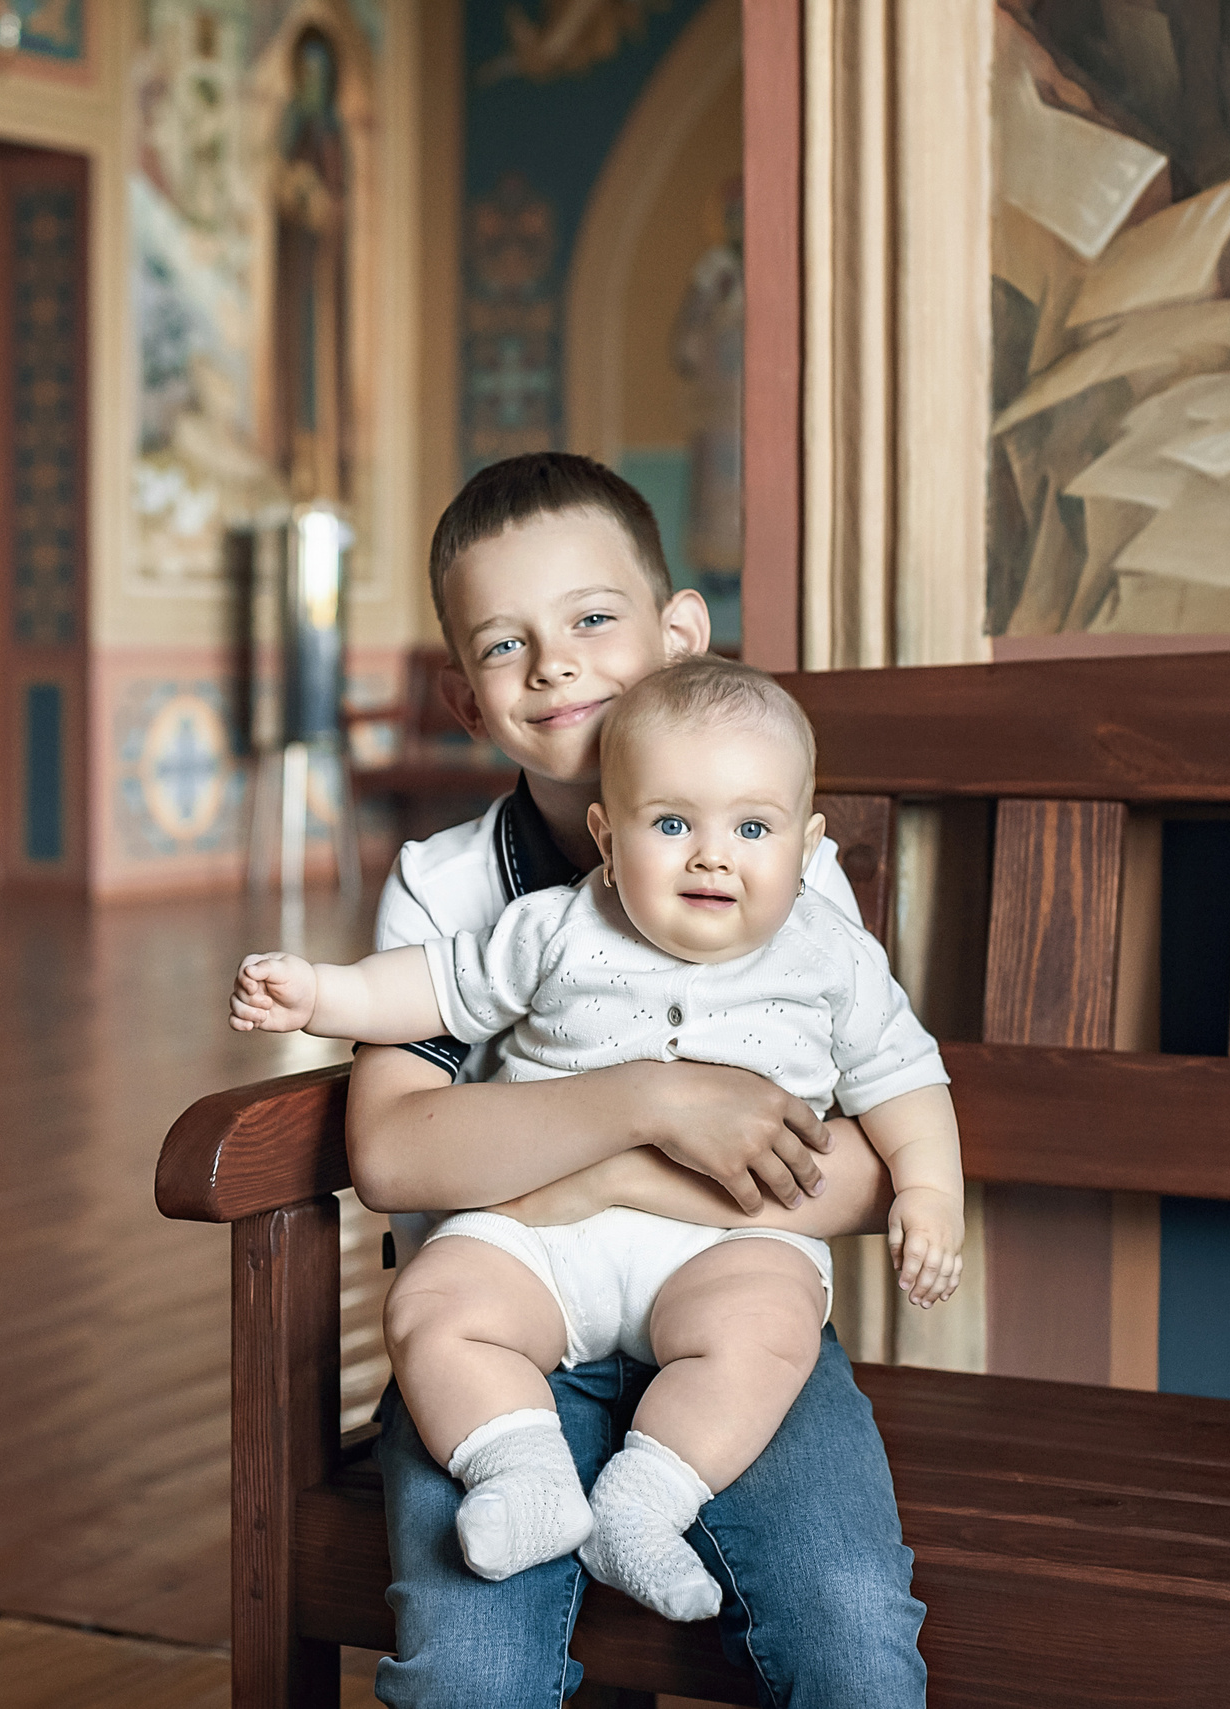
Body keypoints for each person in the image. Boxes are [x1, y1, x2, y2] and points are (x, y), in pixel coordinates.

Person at [318, 452, 932, 1706]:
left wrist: (585, 1182)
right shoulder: (447, 885)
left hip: (732, 1325)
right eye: (507, 644)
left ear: (677, 633)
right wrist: (653, 1105)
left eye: (593, 618)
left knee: (853, 1632)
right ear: (466, 697)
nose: (555, 666)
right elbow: (391, 1153)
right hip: (500, 1341)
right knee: (469, 1672)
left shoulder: (774, 865)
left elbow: (866, 1173)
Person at [235, 655, 965, 1625]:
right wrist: (323, 993)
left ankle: (643, 1505)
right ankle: (520, 1468)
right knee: (433, 1304)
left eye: (752, 829)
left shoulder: (831, 955)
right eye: (672, 824)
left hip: (724, 1246)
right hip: (540, 1242)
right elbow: (435, 986)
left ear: (806, 846)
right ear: (608, 840)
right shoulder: (556, 927)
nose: (712, 857)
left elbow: (905, 1079)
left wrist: (930, 1192)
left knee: (767, 1332)